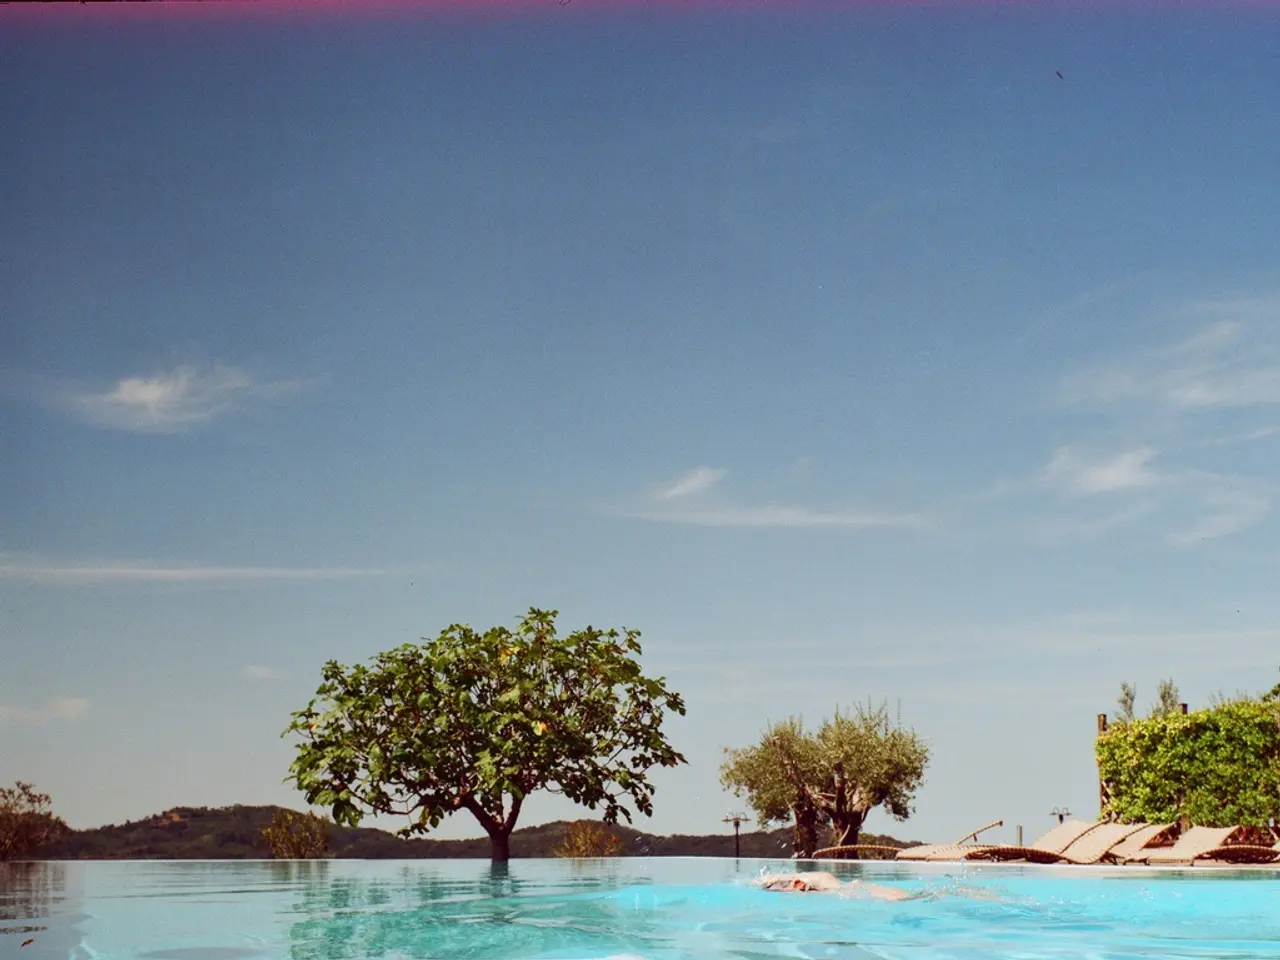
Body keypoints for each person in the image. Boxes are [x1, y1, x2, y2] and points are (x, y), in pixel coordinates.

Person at [753, 871, 916, 901]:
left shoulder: (801, 882)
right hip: (848, 886)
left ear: (797, 885)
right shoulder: (800, 877)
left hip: (846, 889)